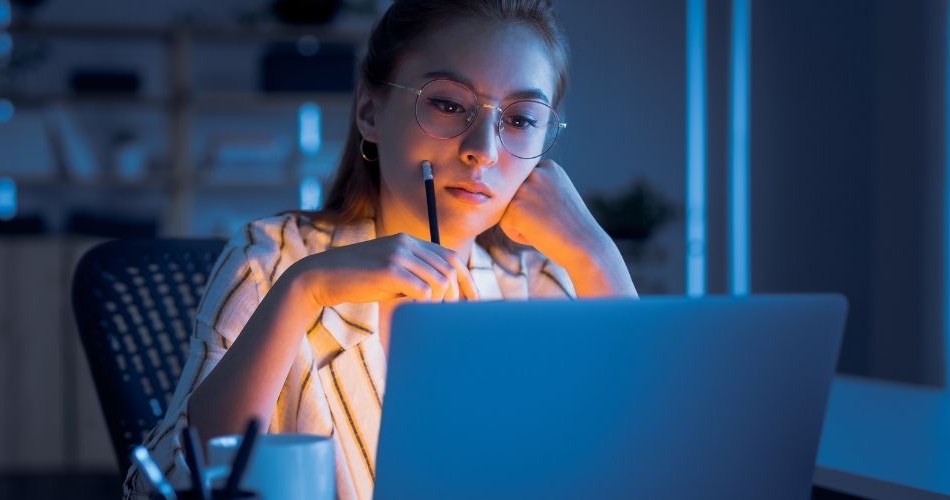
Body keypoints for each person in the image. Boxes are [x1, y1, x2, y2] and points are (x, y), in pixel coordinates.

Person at [125, 1, 637, 498]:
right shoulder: (273, 257)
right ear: (370, 113)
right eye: (447, 104)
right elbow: (168, 484)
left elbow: (638, 461)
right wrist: (303, 290)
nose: (482, 147)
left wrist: (597, 256)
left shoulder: (542, 285)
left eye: (521, 119)